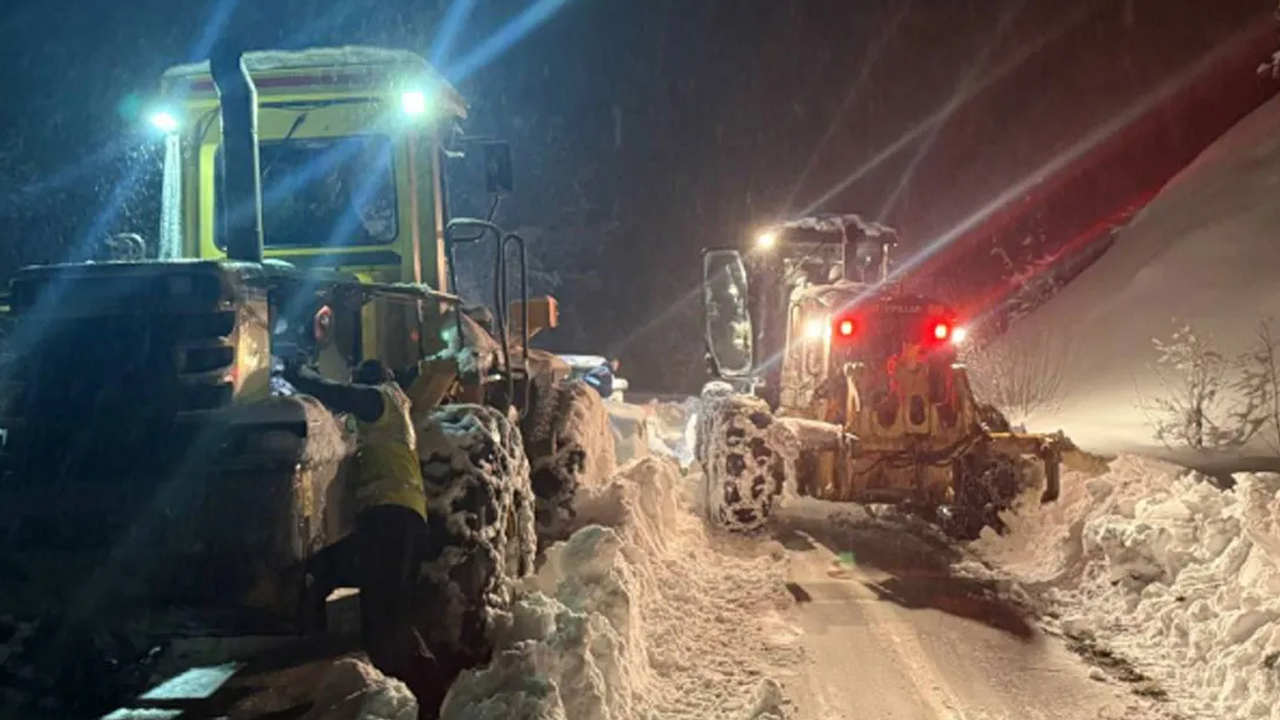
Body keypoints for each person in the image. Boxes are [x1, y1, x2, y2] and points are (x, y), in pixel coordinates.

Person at [282, 359, 443, 711]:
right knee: (387, 614)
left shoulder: (381, 400)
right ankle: (418, 694)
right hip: (401, 522)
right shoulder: (394, 415)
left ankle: (425, 695)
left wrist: (301, 376)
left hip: (392, 519)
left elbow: (341, 394)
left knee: (384, 623)